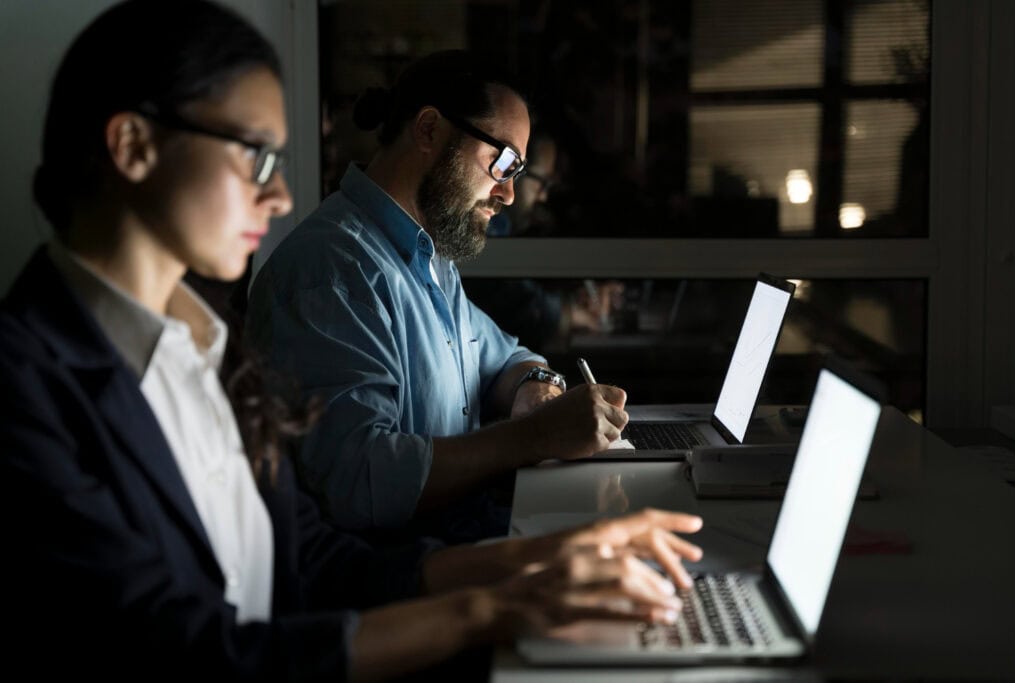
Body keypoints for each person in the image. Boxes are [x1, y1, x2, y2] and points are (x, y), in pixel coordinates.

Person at [0, 2, 705, 678]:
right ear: (134, 145)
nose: (278, 200)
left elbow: (309, 559)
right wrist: (494, 603)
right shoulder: (22, 385)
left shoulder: (207, 347)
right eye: (256, 158)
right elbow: (192, 649)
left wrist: (543, 557)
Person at [246, 50, 630, 538]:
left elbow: (505, 355)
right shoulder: (335, 272)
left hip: (462, 541)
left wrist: (535, 386)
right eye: (504, 162)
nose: (509, 193)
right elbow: (360, 482)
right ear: (429, 130)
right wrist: (534, 437)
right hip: (400, 583)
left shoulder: (428, 256)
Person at [466, 125, 624, 350]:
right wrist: (567, 314)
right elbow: (504, 294)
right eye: (542, 182)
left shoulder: (508, 227)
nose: (544, 195)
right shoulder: (485, 226)